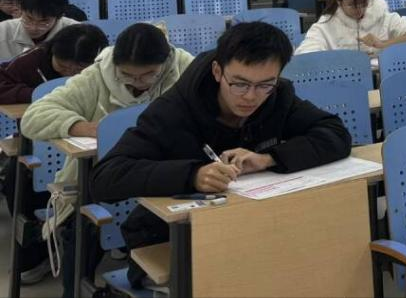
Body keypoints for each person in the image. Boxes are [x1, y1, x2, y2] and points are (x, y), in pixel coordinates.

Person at [91, 22, 352, 288]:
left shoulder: (278, 97)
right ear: (218, 71)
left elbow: (335, 133)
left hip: (248, 230)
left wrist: (269, 158)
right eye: (239, 84)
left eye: (265, 84)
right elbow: (105, 178)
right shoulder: (173, 110)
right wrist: (192, 175)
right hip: (169, 239)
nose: (251, 97)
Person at [21, 23, 193, 292]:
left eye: (149, 75)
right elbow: (33, 117)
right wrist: (86, 127)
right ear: (116, 64)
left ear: (166, 62)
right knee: (84, 227)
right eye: (127, 75)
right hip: (103, 178)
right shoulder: (96, 76)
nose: (138, 83)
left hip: (165, 177)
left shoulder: (184, 68)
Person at [0, 23, 108, 283]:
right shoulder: (33, 60)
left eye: (78, 69)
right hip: (44, 144)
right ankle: (36, 251)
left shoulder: (106, 72)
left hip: (90, 152)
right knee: (18, 174)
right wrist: (38, 95)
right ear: (51, 52)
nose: (70, 73)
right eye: (63, 66)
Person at [0, 0, 79, 61]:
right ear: (22, 10)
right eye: (29, 18)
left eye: (44, 21)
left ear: (59, 17)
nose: (34, 27)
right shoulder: (3, 30)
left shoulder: (76, 33)